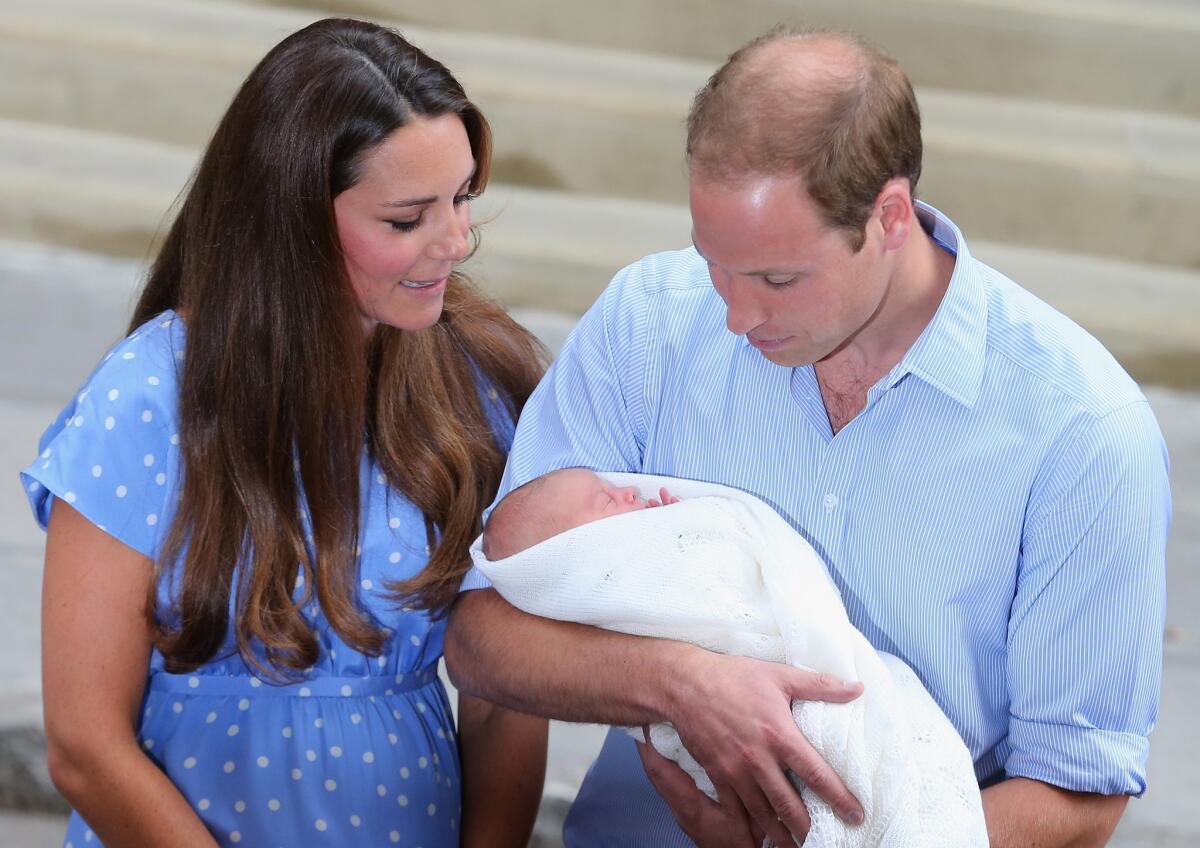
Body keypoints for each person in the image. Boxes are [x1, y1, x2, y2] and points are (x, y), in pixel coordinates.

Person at [444, 25, 1171, 848]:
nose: (734, 314)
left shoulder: (1084, 433)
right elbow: (483, 638)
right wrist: (680, 686)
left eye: (777, 279)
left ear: (889, 217)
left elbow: (1080, 795)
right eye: (714, 262)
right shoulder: (648, 322)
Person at [21, 18, 548, 848]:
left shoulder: (479, 388)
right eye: (407, 219)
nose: (454, 243)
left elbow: (505, 706)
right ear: (289, 221)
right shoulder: (150, 396)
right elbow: (85, 746)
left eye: (462, 198)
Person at [476, 467, 989, 846]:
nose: (630, 491)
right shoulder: (604, 585)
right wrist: (681, 681)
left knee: (875, 755)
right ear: (574, 559)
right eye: (607, 501)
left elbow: (732, 564)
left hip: (820, 687)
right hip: (682, 799)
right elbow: (477, 641)